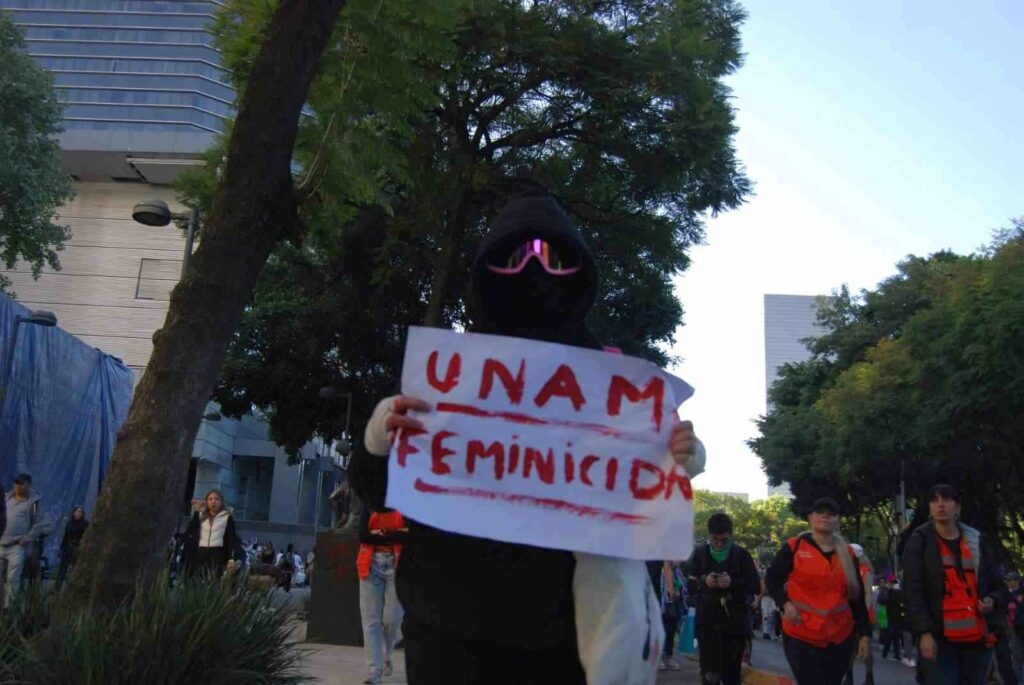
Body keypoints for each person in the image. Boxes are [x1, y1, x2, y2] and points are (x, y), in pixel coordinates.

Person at [353, 188, 706, 684]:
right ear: (486, 270)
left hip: (566, 646)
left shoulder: (614, 385)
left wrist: (679, 454)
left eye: (553, 258)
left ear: (579, 271)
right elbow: (379, 489)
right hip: (448, 636)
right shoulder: (445, 379)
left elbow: (646, 491)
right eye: (515, 257)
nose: (534, 271)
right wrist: (379, 437)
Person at [902, 484, 1004, 685]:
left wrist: (992, 600)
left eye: (947, 500)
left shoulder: (976, 540)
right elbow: (913, 591)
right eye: (935, 500)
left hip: (976, 640)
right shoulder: (919, 541)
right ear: (929, 507)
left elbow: (997, 585)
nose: (940, 505)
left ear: (957, 507)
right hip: (940, 641)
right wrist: (924, 633)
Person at [765, 497, 872, 685]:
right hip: (801, 634)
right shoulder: (794, 547)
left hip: (839, 637)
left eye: (831, 514)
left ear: (838, 521)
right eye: (820, 513)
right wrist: (785, 603)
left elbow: (857, 598)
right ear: (810, 518)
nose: (825, 517)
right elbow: (772, 579)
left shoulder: (847, 554)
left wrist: (864, 635)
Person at [686, 513, 760, 685]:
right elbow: (690, 586)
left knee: (732, 674)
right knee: (710, 674)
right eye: (715, 539)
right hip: (708, 623)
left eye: (724, 540)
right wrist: (705, 581)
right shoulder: (700, 554)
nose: (719, 544)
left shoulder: (741, 555)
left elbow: (755, 586)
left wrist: (731, 583)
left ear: (731, 536)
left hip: (735, 624)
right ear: (709, 535)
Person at [357, 503, 408, 684]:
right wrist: (395, 533)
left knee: (392, 620)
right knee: (371, 622)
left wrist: (379, 533)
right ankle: (374, 673)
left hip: (398, 567)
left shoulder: (405, 502)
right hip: (370, 567)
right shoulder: (369, 504)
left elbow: (410, 535)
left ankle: (387, 653)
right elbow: (363, 535)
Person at [0, 473, 52, 608]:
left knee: (13, 579)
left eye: (20, 483)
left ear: (28, 485)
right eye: (16, 482)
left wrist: (27, 538)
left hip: (17, 545)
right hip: (1, 543)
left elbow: (39, 524)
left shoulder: (33, 503)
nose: (17, 485)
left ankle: (8, 608)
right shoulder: (6, 499)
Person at [182, 489, 244, 579]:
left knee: (215, 579)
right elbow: (190, 531)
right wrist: (196, 512)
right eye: (210, 499)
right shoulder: (201, 516)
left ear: (221, 502)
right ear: (207, 502)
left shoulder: (226, 517)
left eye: (216, 499)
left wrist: (231, 558)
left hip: (218, 554)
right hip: (201, 553)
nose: (213, 502)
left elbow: (231, 539)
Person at [843, 544, 877, 685]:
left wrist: (862, 613)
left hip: (862, 615)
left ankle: (869, 676)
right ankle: (849, 675)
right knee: (849, 648)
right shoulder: (846, 571)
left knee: (865, 646)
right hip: (848, 615)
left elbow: (868, 593)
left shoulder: (864, 571)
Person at [56, 505, 89, 586]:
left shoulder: (85, 524)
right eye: (77, 511)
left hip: (77, 547)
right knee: (62, 568)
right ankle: (56, 588)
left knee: (75, 568)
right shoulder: (69, 523)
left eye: (81, 512)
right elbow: (65, 536)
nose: (79, 513)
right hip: (67, 547)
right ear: (74, 513)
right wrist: (61, 548)